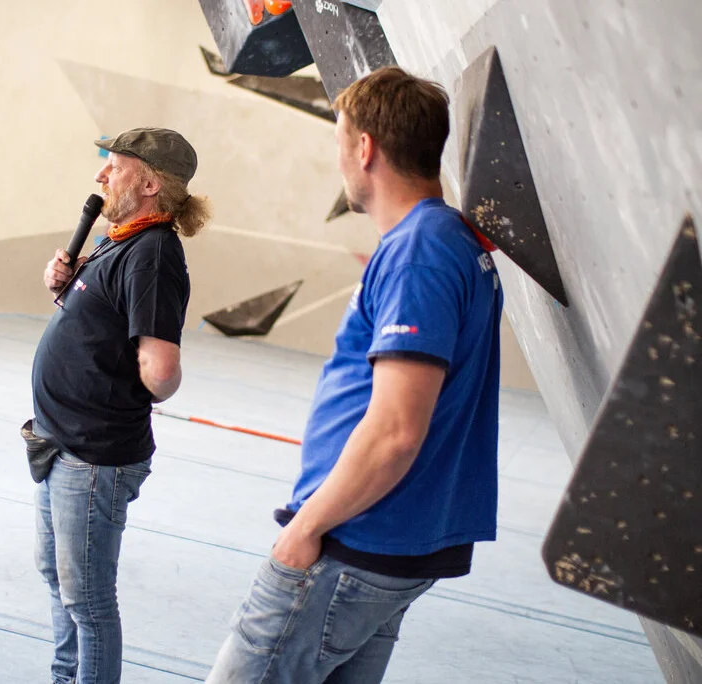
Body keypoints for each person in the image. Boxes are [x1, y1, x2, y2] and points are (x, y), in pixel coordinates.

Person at [205, 66, 504, 684]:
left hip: (353, 539)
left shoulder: (419, 253)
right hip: (393, 542)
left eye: (340, 139)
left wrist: (306, 527)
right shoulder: (447, 240)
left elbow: (396, 429)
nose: (339, 158)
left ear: (364, 147)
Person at [30, 127, 212, 684]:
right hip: (62, 446)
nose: (100, 175)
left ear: (151, 183)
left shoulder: (154, 255)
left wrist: (119, 376)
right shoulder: (122, 237)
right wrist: (68, 282)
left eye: (114, 165)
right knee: (60, 580)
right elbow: (102, 318)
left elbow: (160, 375)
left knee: (86, 600)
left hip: (93, 458)